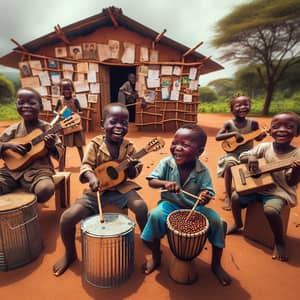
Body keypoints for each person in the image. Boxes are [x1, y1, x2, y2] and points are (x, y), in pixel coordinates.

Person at [53, 103, 148, 276]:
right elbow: (87, 165)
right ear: (103, 124)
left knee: (141, 207)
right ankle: (70, 253)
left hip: (122, 189)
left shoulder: (130, 147)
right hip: (97, 191)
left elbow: (134, 173)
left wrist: (132, 167)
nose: (119, 126)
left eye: (124, 122)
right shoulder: (95, 144)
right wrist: (92, 177)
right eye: (113, 122)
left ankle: (147, 236)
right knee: (67, 218)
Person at [141, 124, 231, 286]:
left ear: (200, 151)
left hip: (196, 209)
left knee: (219, 222)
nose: (178, 148)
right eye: (175, 142)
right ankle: (156, 256)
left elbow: (207, 192)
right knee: (154, 215)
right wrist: (165, 183)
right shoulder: (166, 163)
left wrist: (205, 196)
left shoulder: (202, 170)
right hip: (169, 205)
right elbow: (152, 182)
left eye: (185, 145)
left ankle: (216, 264)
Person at [227, 112, 300, 261]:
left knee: (271, 211)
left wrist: (297, 170)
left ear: (297, 132)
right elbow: (242, 156)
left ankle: (279, 241)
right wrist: (252, 157)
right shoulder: (265, 147)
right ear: (270, 131)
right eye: (276, 126)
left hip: (280, 191)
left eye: (289, 127)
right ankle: (237, 223)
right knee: (235, 196)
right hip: (257, 186)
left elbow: (291, 182)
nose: (282, 130)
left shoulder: (297, 155)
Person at [0, 87, 64, 203]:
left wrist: (50, 146)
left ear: (41, 107)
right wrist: (7, 145)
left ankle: (29, 206)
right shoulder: (13, 129)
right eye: (21, 103)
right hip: (11, 171)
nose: (26, 106)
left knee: (45, 189)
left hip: (39, 172)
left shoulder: (47, 129)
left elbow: (60, 151)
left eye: (31, 103)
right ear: (16, 106)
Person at [216, 95, 266, 210]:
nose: (243, 107)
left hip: (249, 154)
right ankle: (228, 196)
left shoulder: (253, 123)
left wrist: (261, 136)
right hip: (232, 154)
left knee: (256, 166)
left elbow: (257, 138)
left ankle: (250, 193)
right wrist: (233, 134)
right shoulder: (229, 124)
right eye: (238, 105)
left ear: (250, 107)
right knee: (229, 165)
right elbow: (218, 137)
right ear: (232, 109)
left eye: (246, 104)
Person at [54, 79, 86, 171]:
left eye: (69, 89)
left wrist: (77, 114)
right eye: (64, 89)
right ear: (61, 90)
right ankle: (61, 167)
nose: (67, 91)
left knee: (79, 146)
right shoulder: (60, 100)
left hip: (75, 126)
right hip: (65, 126)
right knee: (63, 146)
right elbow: (55, 110)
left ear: (72, 89)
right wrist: (61, 114)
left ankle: (84, 165)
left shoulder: (75, 100)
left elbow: (80, 111)